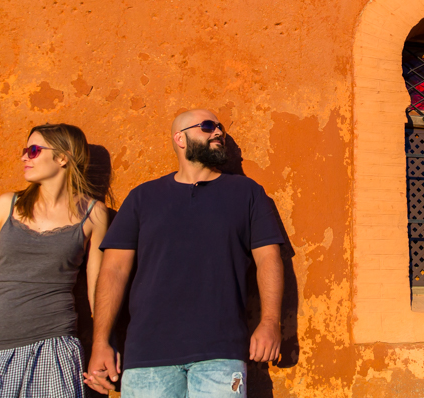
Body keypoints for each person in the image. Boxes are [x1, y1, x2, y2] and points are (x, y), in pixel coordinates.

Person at [84, 109, 284, 398]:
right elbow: (113, 270)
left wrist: (269, 323)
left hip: (220, 352)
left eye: (220, 128)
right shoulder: (143, 197)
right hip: (147, 356)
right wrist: (101, 341)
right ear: (180, 138)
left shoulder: (247, 192)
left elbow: (269, 258)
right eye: (207, 126)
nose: (217, 132)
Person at [0, 123, 110, 398]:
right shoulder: (8, 204)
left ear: (63, 157)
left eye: (34, 150)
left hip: (51, 346)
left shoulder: (94, 215)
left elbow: (98, 289)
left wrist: (103, 344)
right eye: (25, 151)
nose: (24, 157)